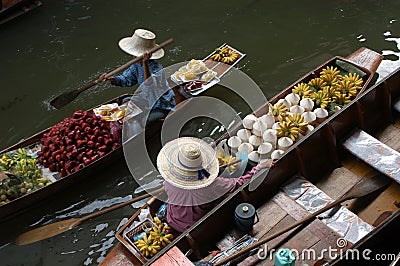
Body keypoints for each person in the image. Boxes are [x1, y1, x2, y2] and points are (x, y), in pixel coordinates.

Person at [156, 137, 275, 233]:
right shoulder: (212, 186)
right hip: (194, 227)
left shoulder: (168, 182)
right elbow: (239, 183)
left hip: (171, 217)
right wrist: (260, 167)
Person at [99, 28, 176, 126]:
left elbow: (149, 84)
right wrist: (112, 79)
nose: (133, 57)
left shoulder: (157, 69)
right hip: (146, 100)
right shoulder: (136, 66)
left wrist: (145, 64)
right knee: (125, 101)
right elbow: (126, 79)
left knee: (141, 121)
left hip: (160, 105)